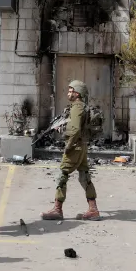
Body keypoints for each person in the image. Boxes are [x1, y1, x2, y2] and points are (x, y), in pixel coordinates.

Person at [40, 80, 100, 222]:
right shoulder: (81, 106)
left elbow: (75, 129)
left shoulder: (77, 107)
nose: (68, 93)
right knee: (84, 176)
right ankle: (93, 210)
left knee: (62, 175)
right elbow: (75, 127)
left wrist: (68, 146)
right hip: (81, 146)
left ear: (77, 93)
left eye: (71, 91)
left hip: (75, 147)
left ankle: (57, 209)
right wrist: (62, 129)